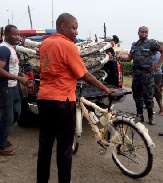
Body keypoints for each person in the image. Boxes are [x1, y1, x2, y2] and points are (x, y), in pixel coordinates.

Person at [36, 13, 116, 183]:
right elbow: (84, 74)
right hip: (62, 100)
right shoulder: (68, 46)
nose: (76, 32)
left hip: (44, 99)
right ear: (63, 26)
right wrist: (104, 87)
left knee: (45, 145)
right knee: (65, 148)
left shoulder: (44, 44)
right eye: (73, 27)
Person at [117, 26, 163, 125]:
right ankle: (140, 115)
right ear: (138, 33)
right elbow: (129, 58)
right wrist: (121, 58)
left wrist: (157, 65)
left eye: (146, 32)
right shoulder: (134, 45)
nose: (144, 34)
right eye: (142, 32)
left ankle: (150, 116)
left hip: (147, 74)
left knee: (148, 96)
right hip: (137, 74)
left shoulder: (151, 43)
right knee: (137, 95)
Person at [0, 25, 28, 155]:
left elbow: (11, 66)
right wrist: (18, 78)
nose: (17, 37)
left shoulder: (11, 48)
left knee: (16, 113)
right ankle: (0, 147)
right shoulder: (3, 49)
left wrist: (20, 74)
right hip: (4, 87)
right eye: (14, 34)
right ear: (6, 34)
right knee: (7, 117)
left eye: (18, 34)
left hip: (13, 86)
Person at [153, 51, 163, 116]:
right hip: (154, 74)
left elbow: (155, 65)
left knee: (156, 91)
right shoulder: (151, 52)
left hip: (156, 74)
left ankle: (162, 109)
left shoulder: (157, 54)